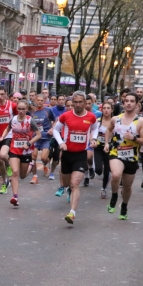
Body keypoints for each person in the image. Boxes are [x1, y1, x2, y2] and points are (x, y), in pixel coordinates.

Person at [52, 91, 98, 224]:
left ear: (85, 102)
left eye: (80, 102)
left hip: (80, 155)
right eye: (75, 102)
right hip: (67, 154)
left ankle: (72, 213)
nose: (77, 105)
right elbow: (55, 129)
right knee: (67, 184)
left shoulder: (91, 117)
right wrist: (61, 143)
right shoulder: (66, 116)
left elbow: (94, 128)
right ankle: (68, 190)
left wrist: (93, 139)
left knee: (75, 184)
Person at [104, 93, 143, 220]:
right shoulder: (115, 119)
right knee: (116, 175)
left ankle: (124, 205)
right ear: (123, 103)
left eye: (132, 101)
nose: (128, 103)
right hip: (116, 152)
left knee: (127, 186)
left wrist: (134, 138)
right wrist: (107, 143)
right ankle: (114, 196)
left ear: (136, 104)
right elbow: (108, 130)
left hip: (131, 156)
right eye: (126, 101)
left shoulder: (140, 121)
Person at [0, 100, 40, 206]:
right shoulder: (13, 119)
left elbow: (38, 135)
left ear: (26, 109)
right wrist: (2, 137)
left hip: (26, 150)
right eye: (19, 109)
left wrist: (29, 144)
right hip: (14, 149)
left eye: (23, 109)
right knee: (15, 172)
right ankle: (15, 197)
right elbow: (7, 129)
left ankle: (31, 165)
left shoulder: (30, 121)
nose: (21, 111)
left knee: (22, 176)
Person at [29, 95, 56, 183]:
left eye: (41, 100)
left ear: (43, 101)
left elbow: (55, 120)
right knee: (33, 157)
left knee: (44, 158)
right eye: (38, 100)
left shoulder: (48, 110)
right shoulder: (32, 111)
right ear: (35, 100)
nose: (40, 102)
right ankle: (35, 176)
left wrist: (52, 129)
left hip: (45, 137)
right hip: (35, 138)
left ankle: (45, 165)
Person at [94, 102, 114, 199]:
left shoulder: (115, 122)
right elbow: (92, 132)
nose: (106, 110)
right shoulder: (97, 121)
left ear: (112, 110)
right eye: (104, 108)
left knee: (107, 170)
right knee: (98, 170)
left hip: (110, 149)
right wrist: (93, 140)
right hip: (98, 147)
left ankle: (103, 188)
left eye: (108, 108)